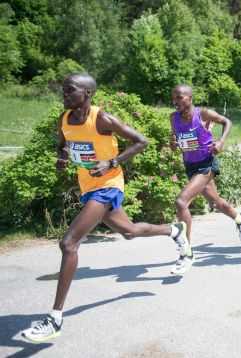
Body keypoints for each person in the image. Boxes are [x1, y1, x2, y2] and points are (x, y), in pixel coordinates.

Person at [21, 74, 190, 343]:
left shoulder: (102, 118)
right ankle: (175, 230)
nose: (64, 94)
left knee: (69, 244)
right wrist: (62, 157)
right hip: (88, 187)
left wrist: (111, 163)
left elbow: (141, 141)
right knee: (129, 231)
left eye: (70, 90)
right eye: (63, 90)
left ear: (87, 93)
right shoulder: (64, 119)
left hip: (108, 185)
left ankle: (54, 318)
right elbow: (63, 145)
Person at [170, 84, 241, 274]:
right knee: (216, 202)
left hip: (206, 164)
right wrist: (173, 143)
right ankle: (239, 218)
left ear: (190, 97)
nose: (176, 101)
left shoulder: (202, 113)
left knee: (181, 202)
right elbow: (176, 140)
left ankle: (187, 253)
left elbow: (227, 122)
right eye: (174, 98)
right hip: (190, 166)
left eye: (180, 97)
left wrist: (221, 142)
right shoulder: (173, 118)